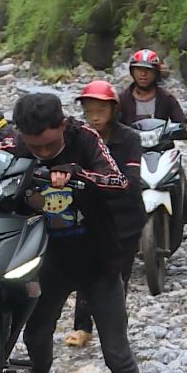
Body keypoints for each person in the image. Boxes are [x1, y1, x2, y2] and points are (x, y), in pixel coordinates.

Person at [0, 92, 158, 373]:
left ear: (63, 125)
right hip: (48, 258)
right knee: (35, 330)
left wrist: (79, 174)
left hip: (100, 258)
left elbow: (120, 181)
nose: (43, 152)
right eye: (34, 147)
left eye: (50, 145)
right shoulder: (16, 144)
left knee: (116, 349)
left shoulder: (86, 138)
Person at [64, 81, 146, 348]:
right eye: (90, 110)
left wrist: (92, 183)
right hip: (92, 215)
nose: (95, 116)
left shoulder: (129, 138)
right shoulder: (79, 138)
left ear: (113, 110)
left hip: (125, 218)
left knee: (118, 274)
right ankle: (83, 327)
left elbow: (131, 183)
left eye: (101, 109)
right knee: (85, 269)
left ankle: (114, 331)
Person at [118, 49, 187, 273]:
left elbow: (180, 121)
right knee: (114, 194)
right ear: (132, 72)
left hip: (163, 153)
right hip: (133, 155)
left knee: (186, 197)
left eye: (147, 71)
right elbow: (113, 123)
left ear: (156, 74)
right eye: (139, 70)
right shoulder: (122, 99)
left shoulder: (166, 98)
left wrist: (186, 127)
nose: (143, 75)